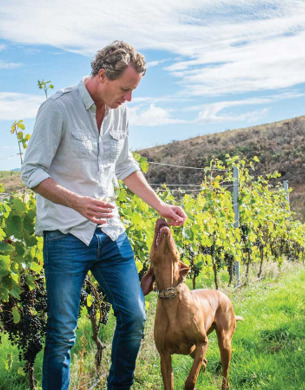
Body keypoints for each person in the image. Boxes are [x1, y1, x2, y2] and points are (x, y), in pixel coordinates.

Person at [21, 40, 187, 390]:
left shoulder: (120, 111)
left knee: (135, 315)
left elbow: (125, 166)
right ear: (101, 76)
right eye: (125, 88)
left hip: (110, 234)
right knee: (62, 333)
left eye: (133, 90)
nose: (129, 98)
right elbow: (32, 172)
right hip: (66, 234)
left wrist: (160, 206)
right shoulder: (58, 108)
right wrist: (76, 202)